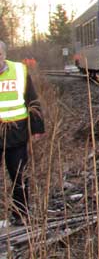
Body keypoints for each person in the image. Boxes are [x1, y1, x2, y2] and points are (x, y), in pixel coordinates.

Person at [0, 41, 44, 225]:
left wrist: (37, 127)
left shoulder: (19, 71)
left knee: (18, 175)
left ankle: (20, 215)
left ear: (4, 54)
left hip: (16, 134)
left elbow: (32, 100)